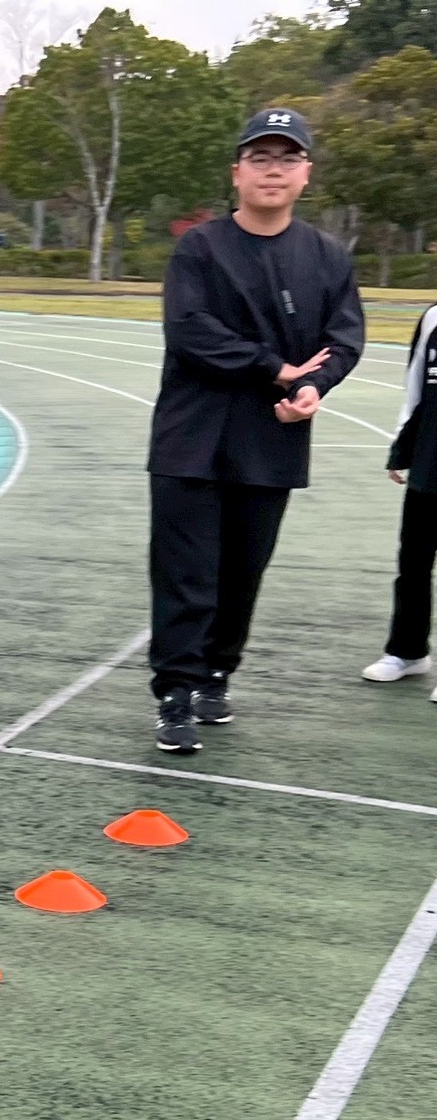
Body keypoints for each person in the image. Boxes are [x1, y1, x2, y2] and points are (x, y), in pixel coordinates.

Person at [147, 106, 365, 754]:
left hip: (271, 438)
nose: (274, 170)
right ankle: (175, 692)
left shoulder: (326, 257)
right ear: (237, 172)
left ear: (306, 173)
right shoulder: (200, 248)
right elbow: (190, 330)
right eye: (261, 158)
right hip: (191, 439)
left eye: (287, 159)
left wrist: (312, 387)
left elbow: (344, 339)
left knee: (244, 571)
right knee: (186, 573)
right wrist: (275, 368)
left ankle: (217, 673)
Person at [360, 299, 437, 694]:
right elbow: (415, 391)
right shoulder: (433, 318)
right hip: (431, 461)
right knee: (413, 564)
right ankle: (407, 652)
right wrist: (402, 448)